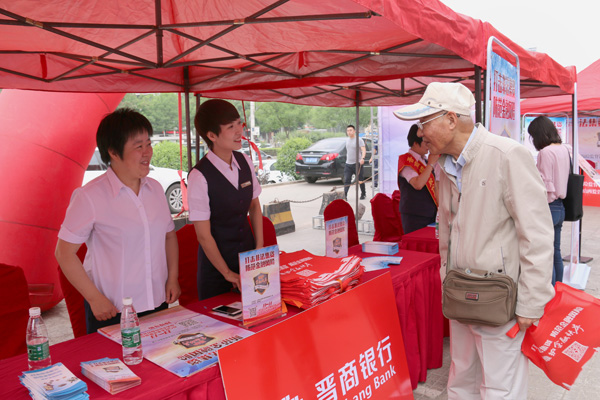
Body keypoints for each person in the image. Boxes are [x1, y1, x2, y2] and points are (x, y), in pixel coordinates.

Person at [394, 82, 554, 399]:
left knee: (500, 388)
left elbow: (536, 234)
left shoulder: (507, 156)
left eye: (425, 122)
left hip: (498, 300)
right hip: (460, 295)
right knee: (461, 379)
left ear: (451, 120)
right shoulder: (445, 165)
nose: (421, 133)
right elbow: (448, 231)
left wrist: (531, 302)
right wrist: (445, 278)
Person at [55, 108, 180, 333]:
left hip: (158, 302)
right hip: (112, 310)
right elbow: (64, 253)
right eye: (138, 146)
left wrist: (172, 278)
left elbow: (169, 235)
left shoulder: (155, 189)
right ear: (113, 152)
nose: (147, 152)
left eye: (149, 144)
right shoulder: (89, 196)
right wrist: (94, 298)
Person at [188, 99, 264, 300]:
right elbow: (203, 236)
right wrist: (227, 273)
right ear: (212, 135)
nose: (239, 131)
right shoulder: (199, 176)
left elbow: (254, 206)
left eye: (239, 123)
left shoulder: (244, 161)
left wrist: (259, 248)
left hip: (248, 260)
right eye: (231, 127)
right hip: (216, 272)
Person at [528, 116, 570, 285]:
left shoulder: (545, 153)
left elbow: (546, 184)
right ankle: (558, 290)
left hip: (549, 206)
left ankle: (549, 293)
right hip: (561, 207)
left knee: (546, 255)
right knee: (556, 252)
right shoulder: (563, 149)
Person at [397, 124, 439, 234]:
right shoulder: (406, 160)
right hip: (414, 215)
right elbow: (418, 184)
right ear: (415, 143)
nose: (428, 146)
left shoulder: (425, 161)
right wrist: (430, 164)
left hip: (431, 213)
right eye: (426, 142)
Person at [344, 125, 367, 200]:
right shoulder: (347, 140)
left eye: (350, 130)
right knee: (347, 179)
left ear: (354, 131)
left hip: (357, 163)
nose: (349, 132)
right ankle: (345, 195)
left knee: (360, 180)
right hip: (348, 164)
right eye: (348, 130)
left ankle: (363, 193)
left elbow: (363, 150)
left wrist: (362, 158)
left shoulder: (359, 140)